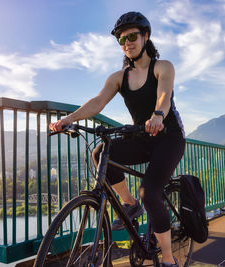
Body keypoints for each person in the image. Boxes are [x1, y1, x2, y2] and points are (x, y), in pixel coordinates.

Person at [49, 11, 185, 267]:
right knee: (100, 154)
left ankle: (168, 259)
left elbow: (164, 96)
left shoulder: (162, 66)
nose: (127, 43)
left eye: (132, 37)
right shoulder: (119, 77)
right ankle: (130, 204)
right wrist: (68, 119)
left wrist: (158, 115)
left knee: (151, 191)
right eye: (122, 40)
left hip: (169, 137)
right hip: (142, 136)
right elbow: (97, 102)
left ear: (146, 36)